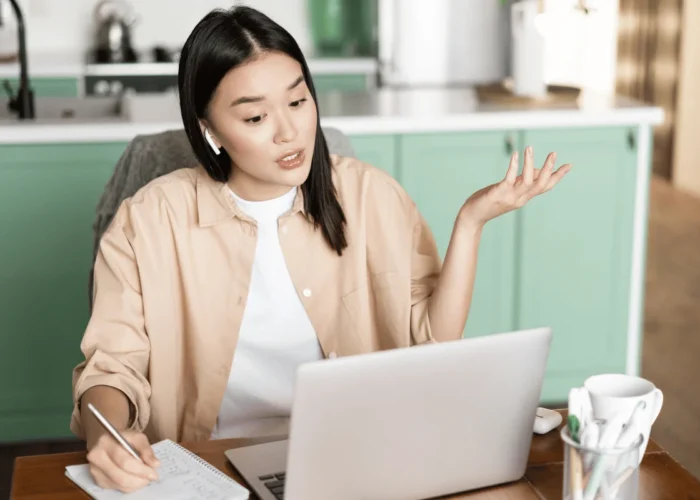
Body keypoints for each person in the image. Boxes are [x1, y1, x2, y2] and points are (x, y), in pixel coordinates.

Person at [70, 5, 570, 493]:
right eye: (256, 117)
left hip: (356, 456)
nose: (289, 132)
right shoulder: (149, 220)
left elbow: (431, 342)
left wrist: (471, 222)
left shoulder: (372, 196)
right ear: (209, 130)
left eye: (297, 101)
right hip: (211, 466)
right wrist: (107, 437)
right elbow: (112, 367)